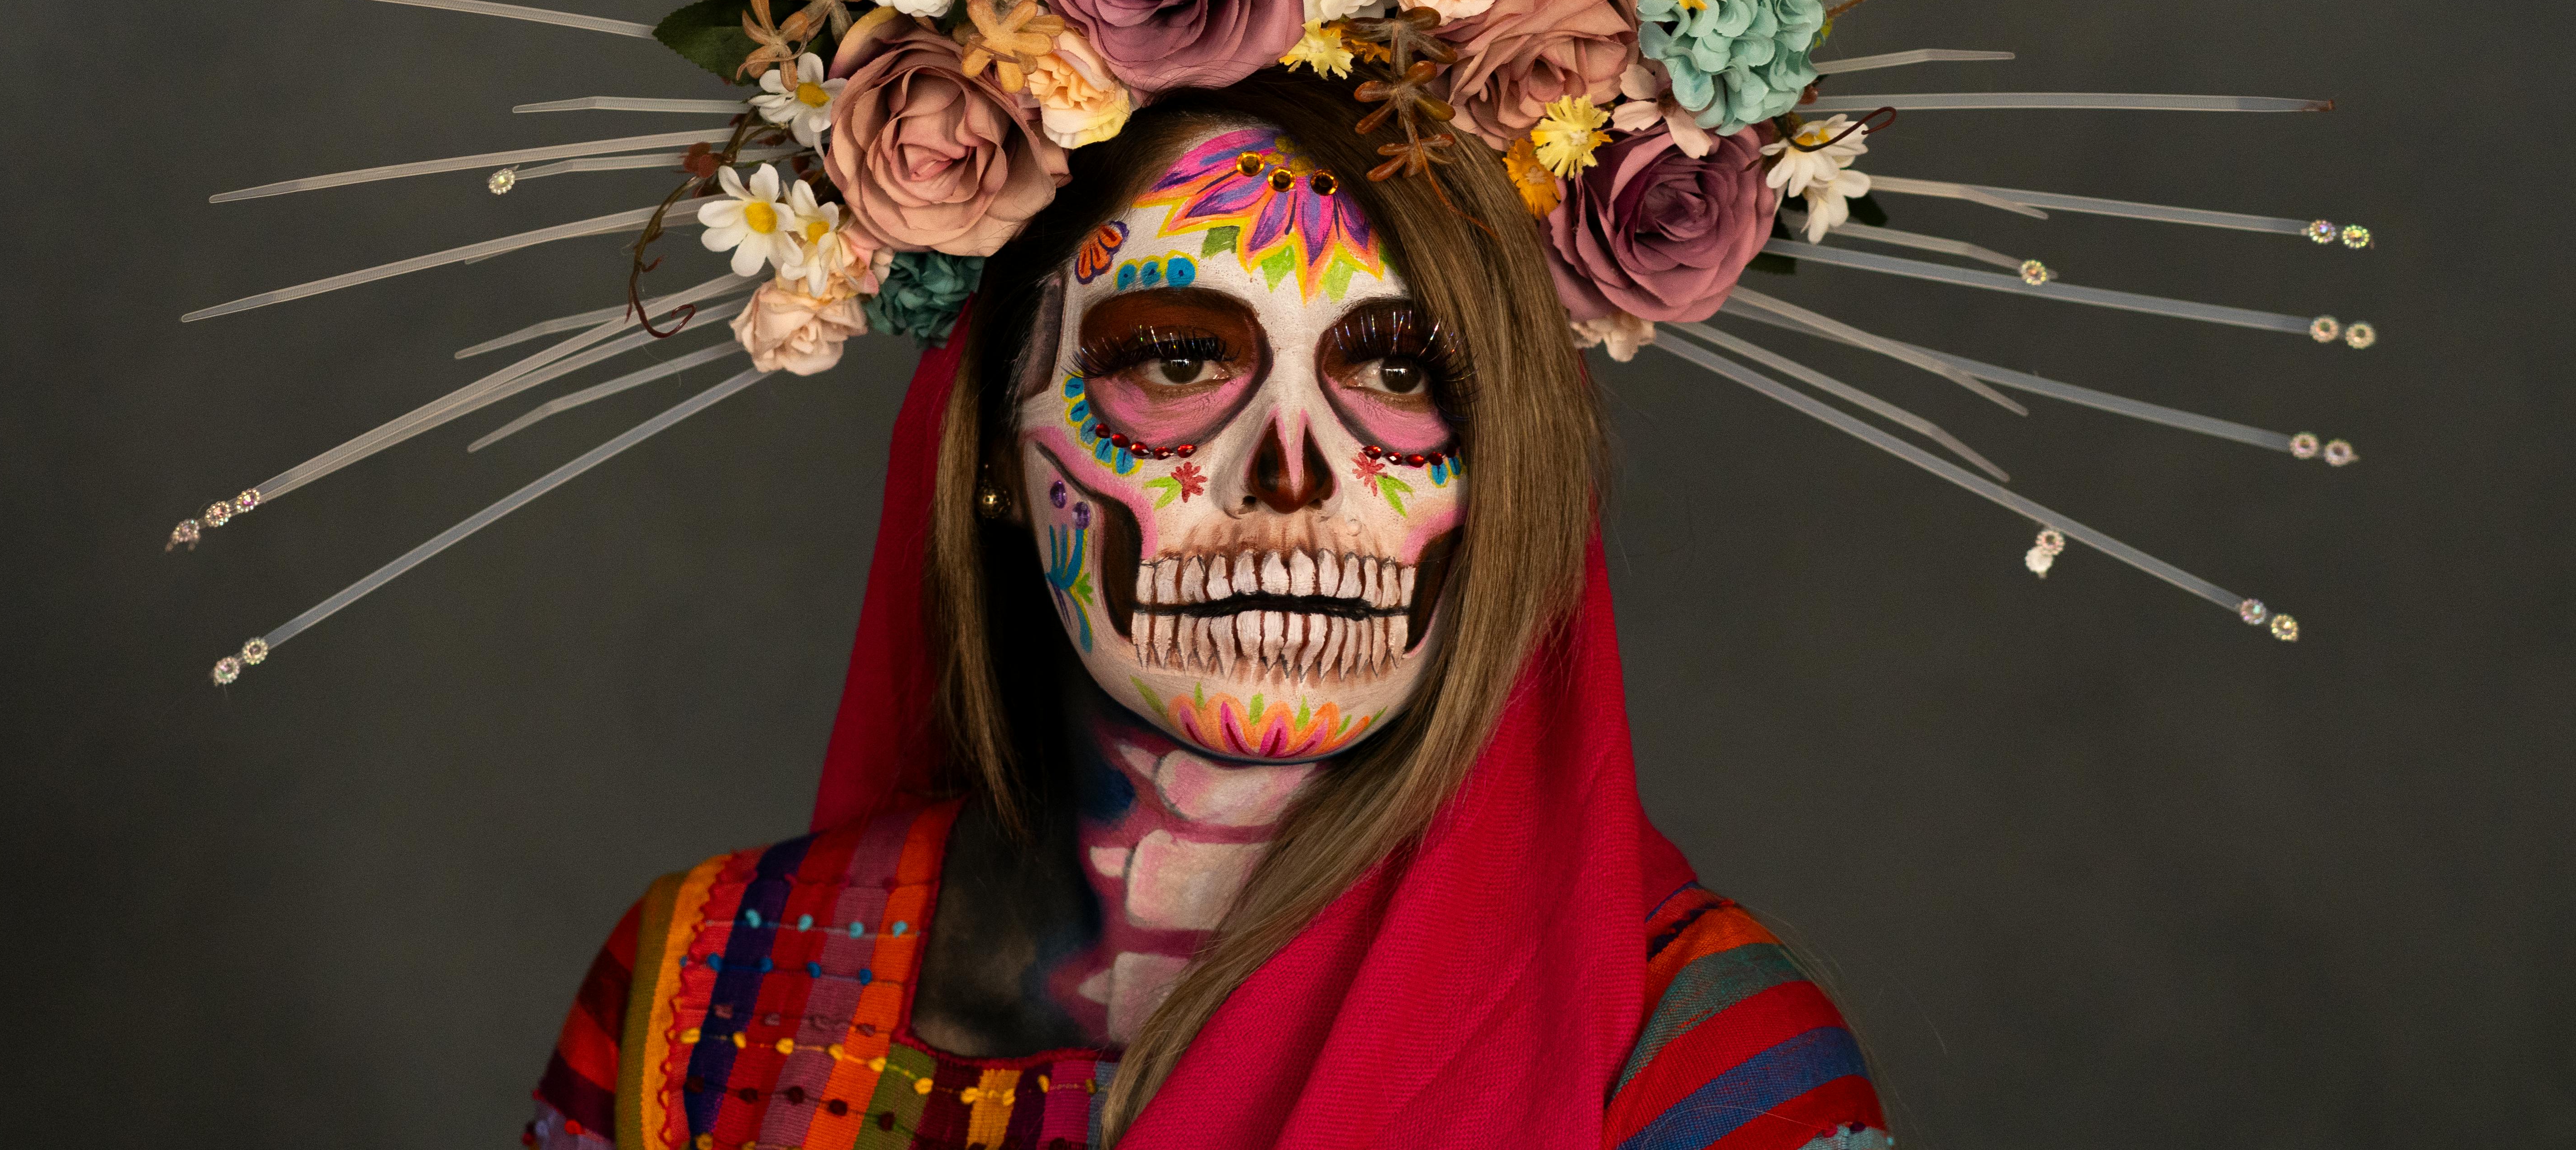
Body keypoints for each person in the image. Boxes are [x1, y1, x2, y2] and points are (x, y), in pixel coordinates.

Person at [526, 74, 1888, 1150]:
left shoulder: (1692, 1058)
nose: (1291, 472)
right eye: (1176, 356)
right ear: (996, 440)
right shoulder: (706, 995)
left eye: (1402, 371)